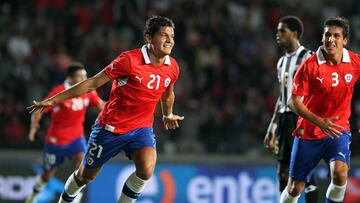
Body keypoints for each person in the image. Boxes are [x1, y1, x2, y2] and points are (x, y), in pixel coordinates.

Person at [27, 16, 184, 203]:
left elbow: (168, 92)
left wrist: (167, 114)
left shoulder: (172, 67)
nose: (169, 40)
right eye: (164, 35)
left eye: (172, 36)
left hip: (141, 128)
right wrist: (53, 100)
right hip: (110, 128)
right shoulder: (129, 61)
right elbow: (92, 83)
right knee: (85, 176)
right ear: (149, 38)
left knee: (146, 170)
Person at [280, 16, 360, 203]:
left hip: (337, 130)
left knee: (340, 175)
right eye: (327, 35)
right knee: (294, 188)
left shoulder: (355, 62)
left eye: (336, 36)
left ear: (345, 41)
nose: (330, 39)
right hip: (309, 132)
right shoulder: (310, 65)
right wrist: (319, 122)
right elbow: (293, 102)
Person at [25, 62, 105, 203]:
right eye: (81, 76)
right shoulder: (59, 92)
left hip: (77, 139)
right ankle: (34, 194)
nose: (85, 79)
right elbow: (40, 109)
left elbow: (101, 106)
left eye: (85, 76)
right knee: (47, 176)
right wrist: (33, 126)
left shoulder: (89, 92)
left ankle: (74, 197)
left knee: (83, 169)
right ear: (70, 78)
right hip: (56, 141)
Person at [263, 15, 318, 202]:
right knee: (283, 172)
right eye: (277, 30)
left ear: (294, 33)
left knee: (306, 173)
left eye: (282, 31)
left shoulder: (308, 58)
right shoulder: (281, 62)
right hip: (285, 121)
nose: (277, 34)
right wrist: (272, 128)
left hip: (301, 120)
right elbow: (281, 98)